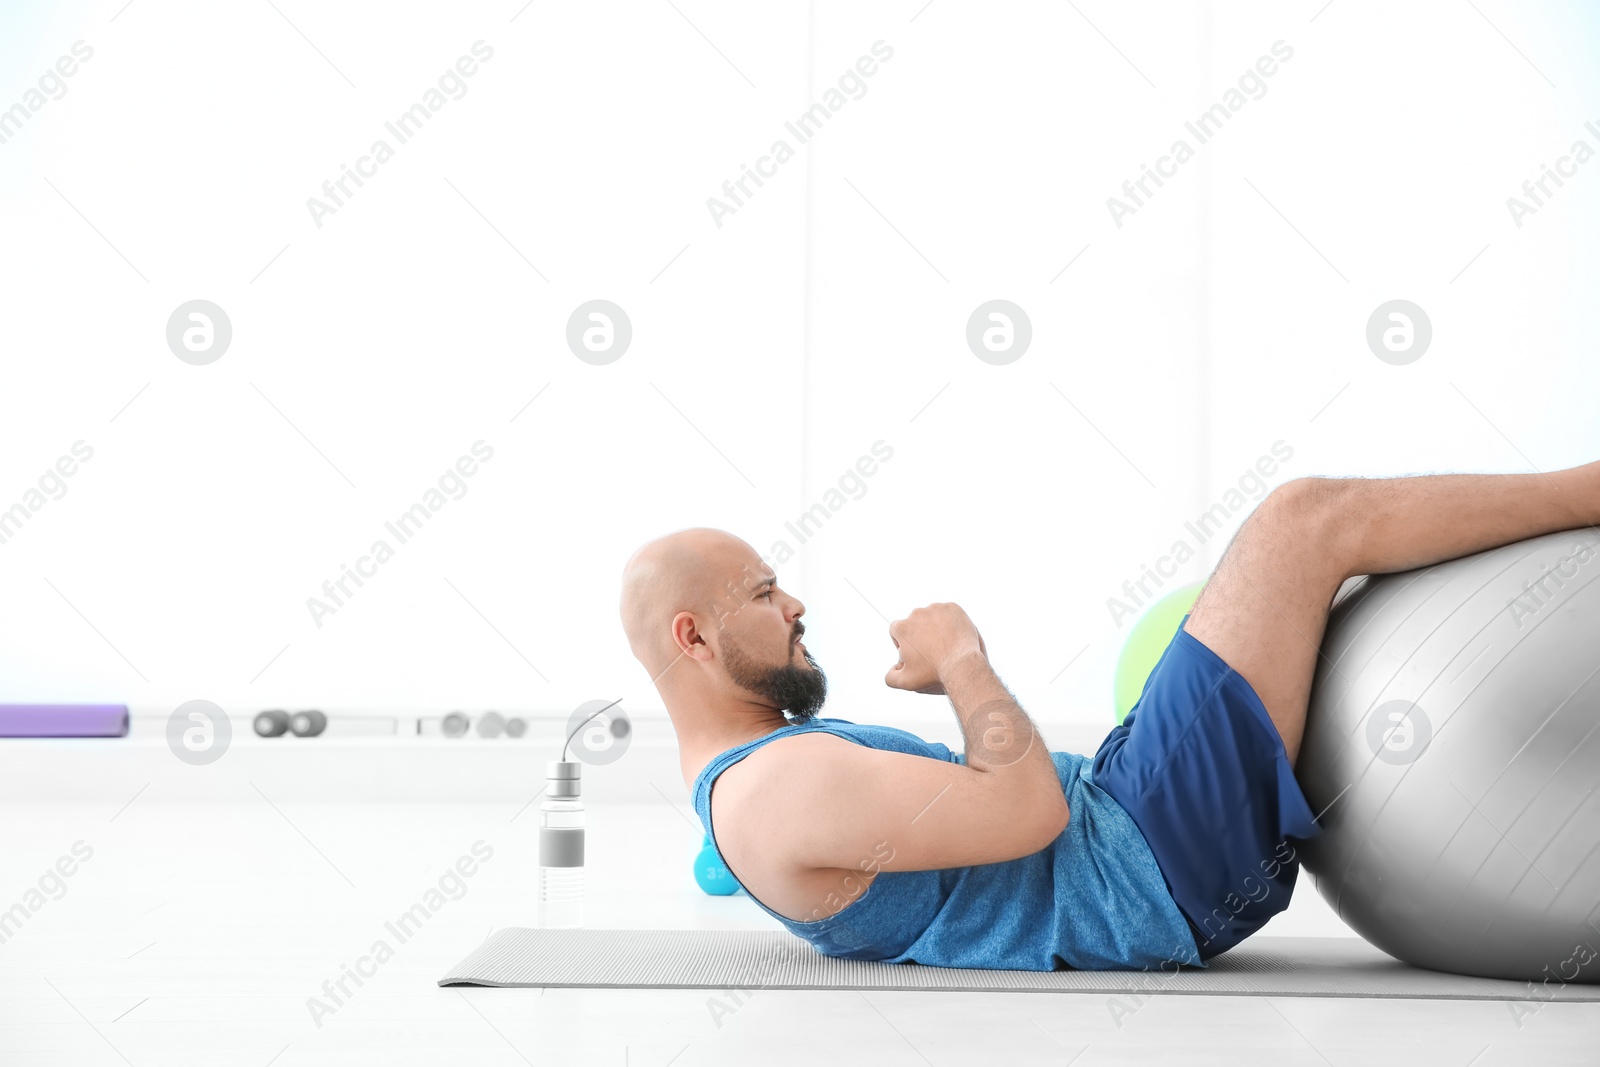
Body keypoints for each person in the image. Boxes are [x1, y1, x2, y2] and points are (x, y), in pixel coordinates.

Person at [617, 466, 1600, 969]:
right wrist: (962, 657)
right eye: (763, 591)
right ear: (695, 637)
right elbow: (1026, 814)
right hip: (1146, 859)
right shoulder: (774, 793)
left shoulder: (749, 792)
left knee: (1266, 586)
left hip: (1128, 825)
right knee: (1302, 519)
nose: (792, 606)